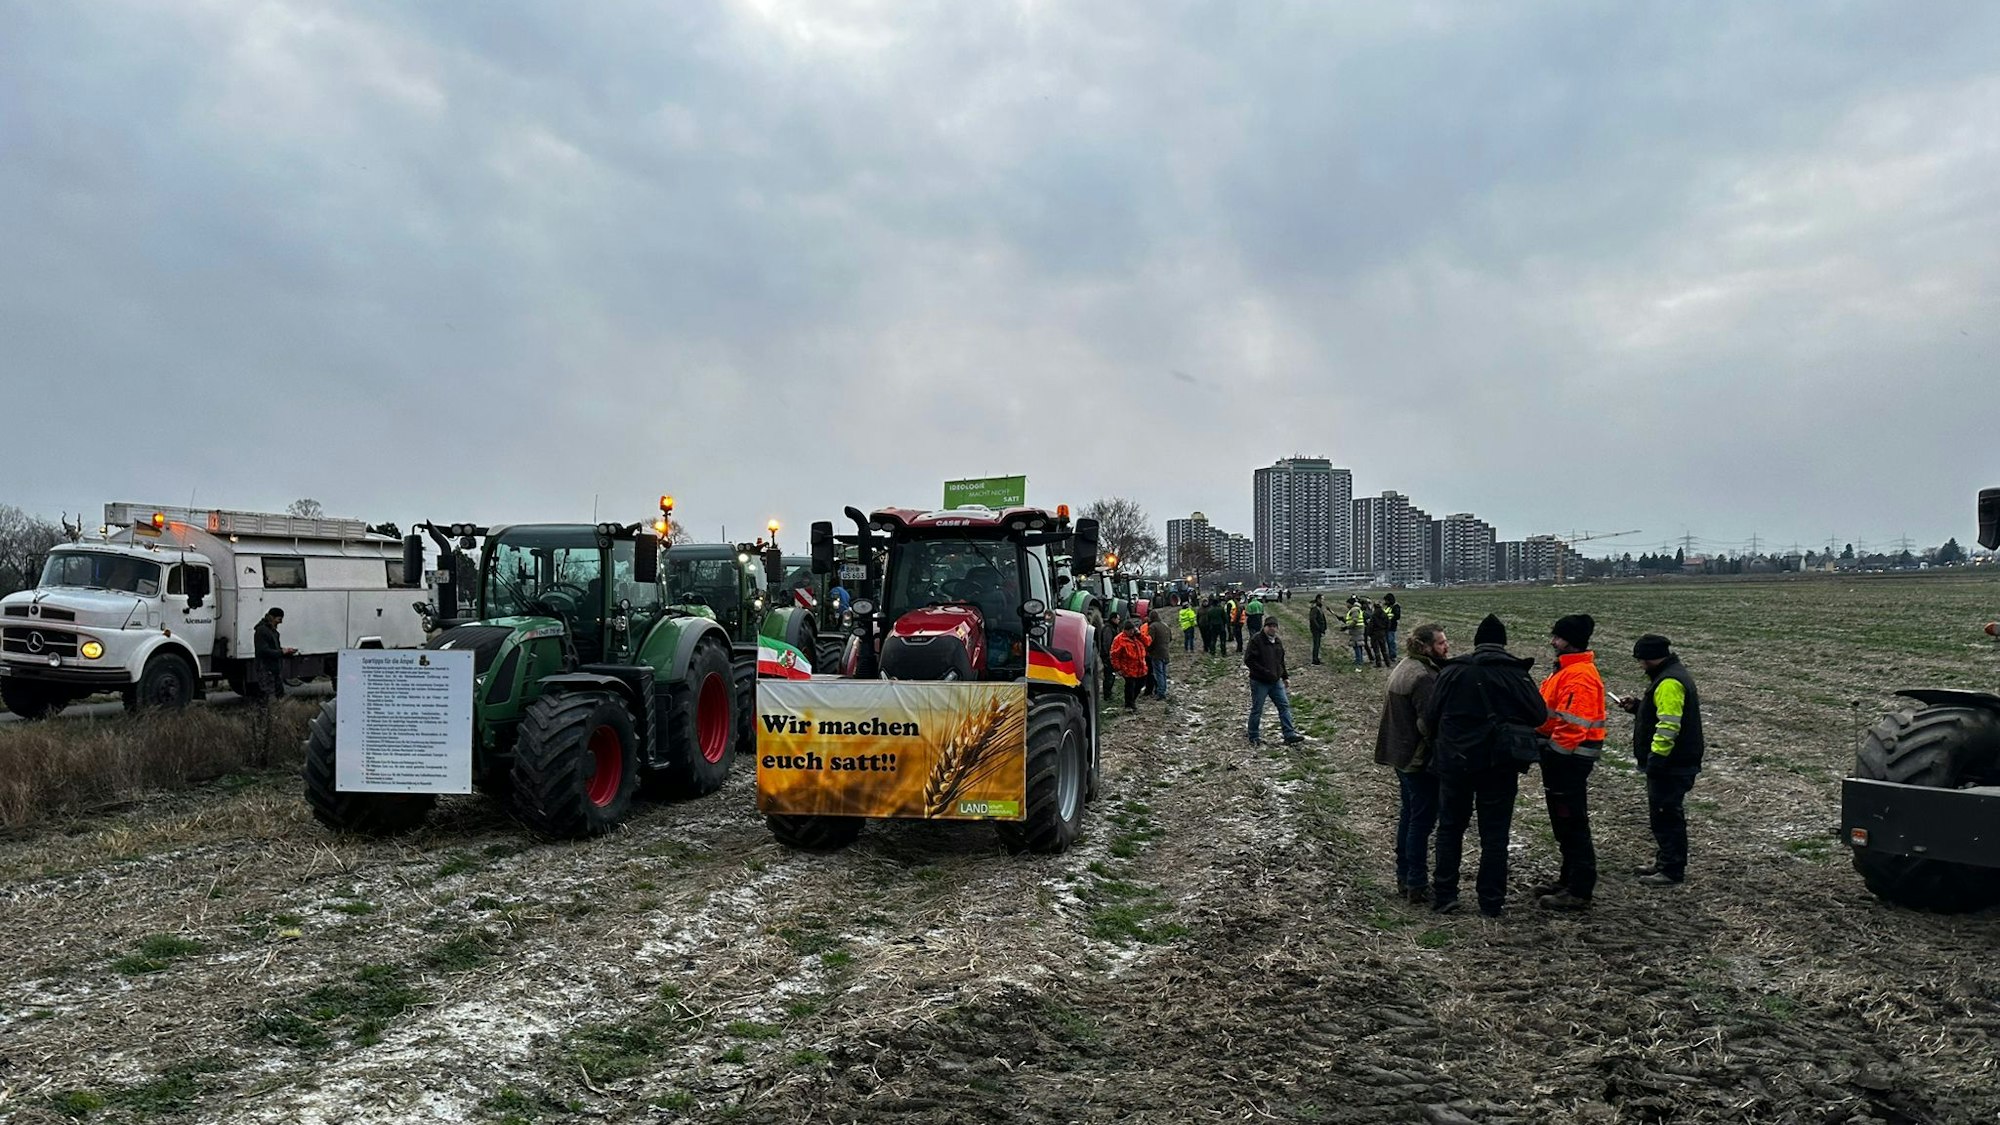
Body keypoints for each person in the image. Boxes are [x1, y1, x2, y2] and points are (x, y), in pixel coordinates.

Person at [1424, 614, 1547, 917]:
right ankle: (1491, 901)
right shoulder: (1514, 673)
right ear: (1503, 644)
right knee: (1495, 834)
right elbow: (1539, 716)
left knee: (1450, 829)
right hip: (1499, 764)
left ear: (1477, 643)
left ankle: (1445, 896)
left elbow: (1429, 717)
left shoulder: (1452, 672)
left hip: (1456, 763)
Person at [1533, 615, 1607, 911]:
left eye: (1558, 637)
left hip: (1568, 761)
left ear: (1571, 640)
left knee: (1572, 824)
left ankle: (1579, 889)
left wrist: (1553, 755)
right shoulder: (1565, 670)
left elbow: (1572, 726)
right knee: (1564, 823)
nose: (1553, 641)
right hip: (1562, 759)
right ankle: (1567, 879)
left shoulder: (1579, 675)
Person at [1618, 634, 1705, 886]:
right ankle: (1665, 862)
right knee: (1664, 814)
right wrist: (1638, 707)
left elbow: (1668, 725)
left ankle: (1671, 870)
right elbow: (1661, 711)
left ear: (1649, 657)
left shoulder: (1669, 682)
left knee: (1667, 816)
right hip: (1676, 762)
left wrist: (1656, 757)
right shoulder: (1671, 676)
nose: (1640, 665)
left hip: (1671, 764)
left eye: (1641, 660)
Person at [1376, 624, 1448, 904]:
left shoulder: (1405, 666)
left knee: (1409, 817)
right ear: (1425, 647)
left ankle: (1404, 878)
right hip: (1416, 759)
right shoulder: (1423, 677)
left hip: (1400, 756)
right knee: (1421, 821)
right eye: (1441, 643)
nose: (1446, 647)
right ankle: (1416, 882)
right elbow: (1427, 723)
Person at [1244, 617, 1305, 746]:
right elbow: (1249, 660)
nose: (1272, 628)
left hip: (1276, 682)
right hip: (1259, 681)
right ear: (1265, 627)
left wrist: (1285, 677)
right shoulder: (1256, 640)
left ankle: (1289, 734)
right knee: (1257, 709)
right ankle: (1253, 735)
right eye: (1269, 626)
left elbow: (1280, 661)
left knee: (1284, 706)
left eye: (1274, 626)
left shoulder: (1277, 642)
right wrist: (1265, 672)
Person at [251, 607, 296, 701]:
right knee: (268, 696)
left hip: (274, 668)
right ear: (272, 617)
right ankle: (268, 714)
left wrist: (285, 651)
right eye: (279, 619)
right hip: (266, 669)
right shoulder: (262, 631)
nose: (281, 622)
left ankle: (274, 713)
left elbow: (272, 649)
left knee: (278, 694)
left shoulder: (272, 631)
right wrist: (281, 652)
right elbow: (263, 651)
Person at [1111, 619, 1150, 712]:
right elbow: (1114, 655)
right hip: (1128, 668)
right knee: (1130, 686)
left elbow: (1148, 642)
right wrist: (1118, 668)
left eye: (1133, 630)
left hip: (1141, 667)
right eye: (1130, 631)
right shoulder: (1119, 639)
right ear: (1125, 630)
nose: (1132, 632)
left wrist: (1140, 635)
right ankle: (1129, 705)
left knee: (1141, 683)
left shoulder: (1138, 636)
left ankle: (1132, 701)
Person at [1147, 604, 1174, 703]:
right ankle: (1163, 690)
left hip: (1156, 654)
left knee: (1158, 674)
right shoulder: (1165, 625)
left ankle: (1161, 693)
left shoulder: (1152, 627)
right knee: (1163, 673)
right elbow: (1170, 638)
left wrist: (1148, 650)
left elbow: (1150, 641)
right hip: (1165, 652)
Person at [1097, 609, 1121, 699]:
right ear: (1113, 619)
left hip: (1110, 655)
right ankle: (1107, 695)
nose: (1119, 621)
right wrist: (1109, 655)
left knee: (1111, 675)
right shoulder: (1108, 629)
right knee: (1109, 675)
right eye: (1118, 619)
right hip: (1108, 656)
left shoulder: (1112, 628)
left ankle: (1109, 693)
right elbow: (1107, 643)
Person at [1343, 597, 1368, 667]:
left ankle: (1359, 661)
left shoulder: (1354, 610)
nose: (1346, 605)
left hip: (1356, 630)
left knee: (1356, 645)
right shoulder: (1356, 609)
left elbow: (1355, 620)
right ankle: (1359, 660)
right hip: (1358, 630)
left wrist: (1347, 627)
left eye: (1347, 604)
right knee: (1358, 645)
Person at [1365, 600, 1390, 667]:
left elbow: (1371, 626)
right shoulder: (1385, 614)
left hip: (1375, 634)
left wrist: (1369, 634)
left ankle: (1378, 663)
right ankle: (1388, 663)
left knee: (1376, 650)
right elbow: (1388, 624)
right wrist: (1385, 631)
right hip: (1382, 633)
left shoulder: (1373, 615)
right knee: (1384, 649)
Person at [1307, 595, 1329, 665]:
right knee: (1316, 644)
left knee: (1318, 644)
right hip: (1316, 630)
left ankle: (1317, 658)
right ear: (1318, 599)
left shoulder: (1318, 608)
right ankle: (1315, 660)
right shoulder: (1315, 608)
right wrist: (1319, 627)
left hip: (1318, 629)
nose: (1323, 601)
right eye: (1322, 599)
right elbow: (1312, 619)